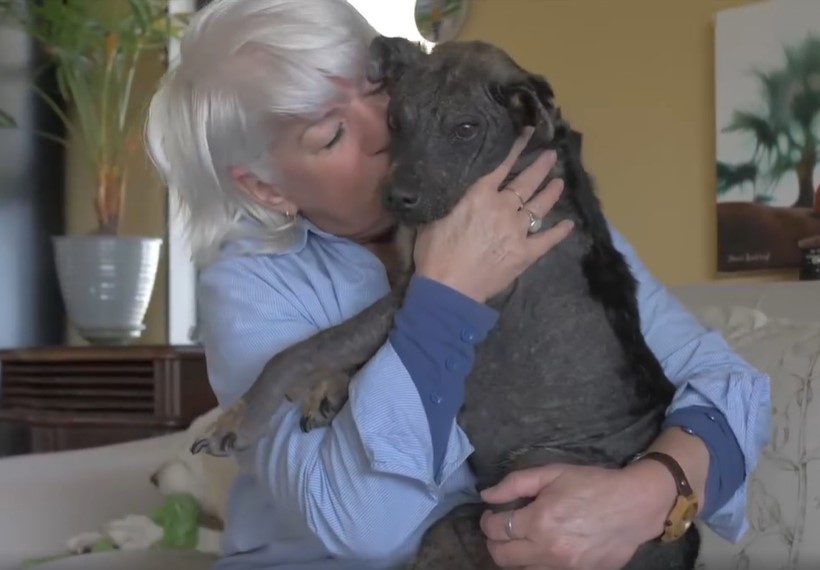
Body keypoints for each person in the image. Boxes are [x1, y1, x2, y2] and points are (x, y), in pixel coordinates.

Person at [144, 0, 771, 569]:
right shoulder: (250, 286)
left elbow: (730, 385)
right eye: (331, 134)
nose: (390, 130)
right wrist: (447, 292)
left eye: (385, 90)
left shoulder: (522, 208)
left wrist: (651, 492)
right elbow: (367, 526)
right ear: (265, 187)